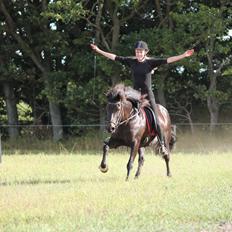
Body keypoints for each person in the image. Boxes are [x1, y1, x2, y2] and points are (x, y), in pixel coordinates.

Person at [90, 41, 194, 155]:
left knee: (157, 120)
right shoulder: (132, 61)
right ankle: (117, 136)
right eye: (137, 51)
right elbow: (114, 57)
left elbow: (168, 60)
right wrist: (99, 50)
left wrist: (183, 55)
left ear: (145, 52)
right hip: (135, 95)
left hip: (148, 96)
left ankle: (163, 145)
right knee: (121, 110)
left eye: (140, 51)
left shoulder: (151, 63)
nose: (138, 53)